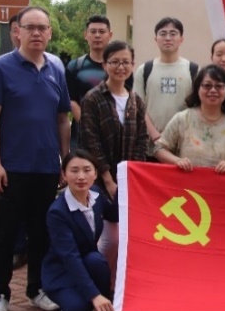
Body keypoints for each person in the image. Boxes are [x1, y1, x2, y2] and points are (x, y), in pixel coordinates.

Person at [0, 6, 71, 311]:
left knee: (41, 232)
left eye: (42, 28)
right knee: (5, 233)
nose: (36, 33)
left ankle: (37, 289)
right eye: (29, 27)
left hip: (46, 167)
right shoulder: (1, 67)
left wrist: (64, 161)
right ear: (18, 31)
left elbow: (62, 119)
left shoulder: (56, 69)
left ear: (49, 33)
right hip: (11, 167)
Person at [80, 40, 149, 274]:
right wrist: (108, 178)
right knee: (110, 239)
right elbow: (91, 141)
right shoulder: (93, 98)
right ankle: (98, 279)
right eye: (115, 62)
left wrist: (131, 175)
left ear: (132, 65)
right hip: (101, 180)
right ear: (104, 65)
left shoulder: (136, 101)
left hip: (127, 180)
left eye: (126, 62)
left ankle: (115, 283)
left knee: (125, 238)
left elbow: (142, 140)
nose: (121, 67)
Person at [42, 150, 117, 311]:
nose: (81, 176)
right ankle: (87, 301)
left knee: (96, 260)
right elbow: (70, 257)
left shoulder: (96, 195)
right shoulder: (57, 212)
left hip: (89, 262)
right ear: (64, 174)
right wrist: (94, 295)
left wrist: (124, 190)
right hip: (62, 270)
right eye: (74, 171)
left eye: (87, 170)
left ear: (95, 173)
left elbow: (114, 215)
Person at [155, 64, 225, 172]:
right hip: (185, 182)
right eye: (207, 85)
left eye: (219, 86)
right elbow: (159, 149)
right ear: (197, 89)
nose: (213, 90)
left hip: (220, 182)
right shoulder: (182, 119)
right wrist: (177, 161)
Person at [133, 17, 199, 160]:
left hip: (183, 147)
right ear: (155, 39)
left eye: (173, 33)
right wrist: (155, 135)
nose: (168, 38)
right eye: (163, 33)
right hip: (151, 147)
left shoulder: (193, 70)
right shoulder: (144, 70)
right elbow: (138, 107)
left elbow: (198, 107)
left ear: (181, 39)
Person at [66, 15, 115, 151]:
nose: (97, 35)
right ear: (85, 35)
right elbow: (72, 101)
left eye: (102, 31)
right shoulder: (75, 66)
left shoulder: (119, 67)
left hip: (112, 137)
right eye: (93, 31)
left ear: (110, 35)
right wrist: (89, 126)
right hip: (82, 138)